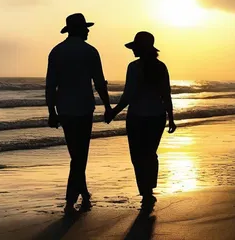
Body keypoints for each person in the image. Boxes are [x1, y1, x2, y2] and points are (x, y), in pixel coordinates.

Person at [45, 13, 111, 214]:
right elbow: (99, 82)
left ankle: (83, 194)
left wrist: (51, 112)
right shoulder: (90, 51)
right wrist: (107, 107)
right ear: (79, 30)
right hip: (83, 109)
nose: (88, 31)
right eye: (86, 28)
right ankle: (70, 199)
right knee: (80, 155)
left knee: (77, 154)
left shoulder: (56, 52)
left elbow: (50, 86)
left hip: (64, 109)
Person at [105, 31, 176, 211]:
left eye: (135, 47)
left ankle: (145, 192)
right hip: (157, 117)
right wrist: (171, 118)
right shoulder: (161, 66)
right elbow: (166, 94)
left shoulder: (134, 67)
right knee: (150, 154)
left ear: (140, 48)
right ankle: (149, 191)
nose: (132, 51)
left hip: (137, 117)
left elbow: (128, 95)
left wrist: (114, 112)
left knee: (137, 156)